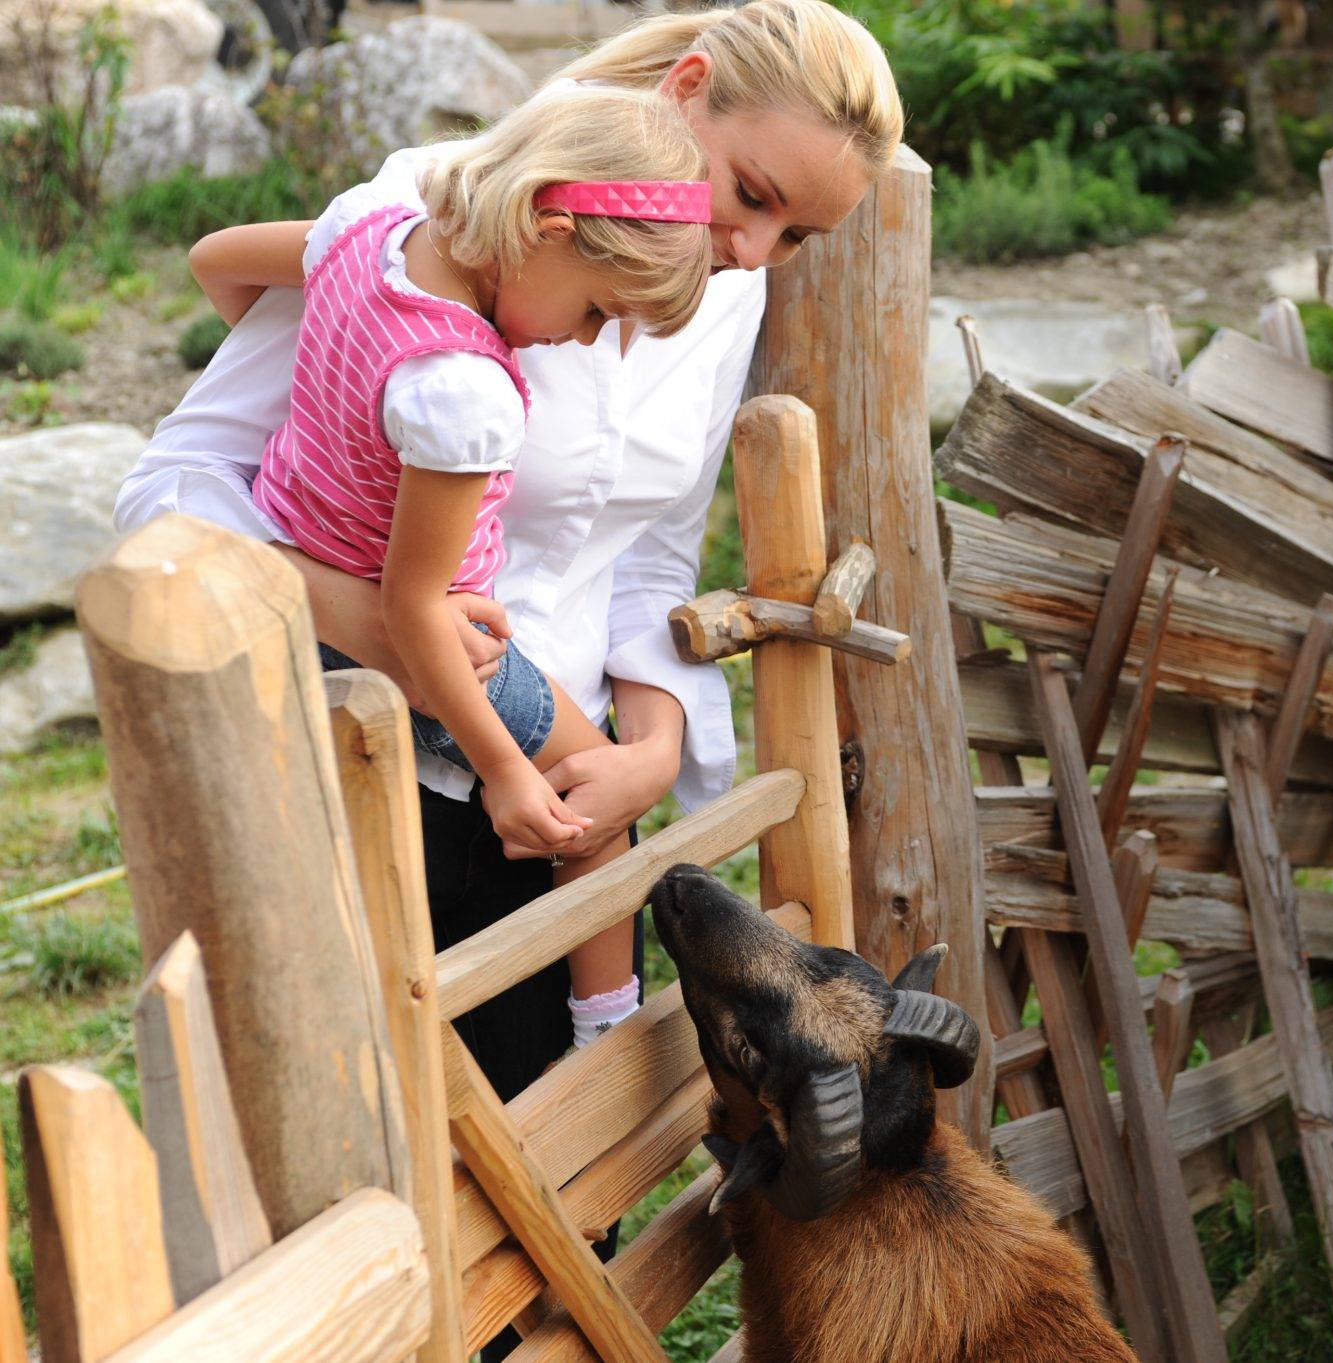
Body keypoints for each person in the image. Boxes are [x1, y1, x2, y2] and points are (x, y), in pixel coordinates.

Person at [116, 11, 901, 1335]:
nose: (753, 250)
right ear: (688, 90)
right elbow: (170, 490)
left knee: (559, 1215)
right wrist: (405, 630)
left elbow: (652, 555)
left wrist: (647, 752)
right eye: (753, 194)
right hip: (366, 774)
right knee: (375, 1219)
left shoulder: (723, 289)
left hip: (559, 809)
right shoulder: (430, 213)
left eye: (797, 237)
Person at [185, 83, 717, 1042]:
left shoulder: (365, 232)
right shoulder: (462, 390)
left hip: (299, 579)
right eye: (597, 311)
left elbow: (214, 261)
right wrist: (505, 770)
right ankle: (605, 1033)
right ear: (548, 226)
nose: (582, 340)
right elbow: (414, 604)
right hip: (416, 642)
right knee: (593, 799)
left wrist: (332, 384)